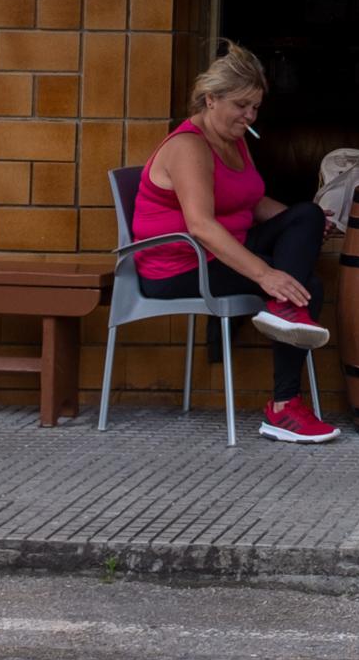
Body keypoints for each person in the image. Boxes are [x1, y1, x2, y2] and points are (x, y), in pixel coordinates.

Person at [129, 41, 339, 443]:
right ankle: (284, 409)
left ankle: (284, 320)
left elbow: (251, 200)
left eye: (255, 107)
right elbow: (202, 226)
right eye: (241, 105)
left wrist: (301, 225)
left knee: (308, 214)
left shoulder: (235, 138)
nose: (250, 115)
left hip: (221, 250)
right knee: (304, 289)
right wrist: (266, 276)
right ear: (211, 100)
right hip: (179, 265)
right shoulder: (188, 146)